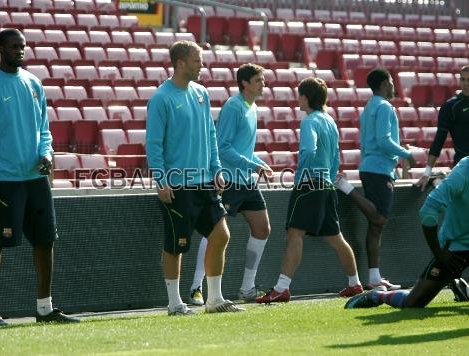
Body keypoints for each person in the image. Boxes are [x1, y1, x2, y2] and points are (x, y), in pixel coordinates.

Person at [0, 29, 79, 326]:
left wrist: (47, 153)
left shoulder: (34, 83)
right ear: (0, 49)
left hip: (35, 179)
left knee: (45, 241)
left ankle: (44, 308)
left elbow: (45, 129)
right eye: (14, 46)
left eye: (23, 46)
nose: (20, 51)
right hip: (3, 181)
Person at [146, 40, 244, 315]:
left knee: (221, 235)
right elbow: (153, 144)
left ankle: (215, 300)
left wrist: (216, 169)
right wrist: (161, 180)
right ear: (180, 63)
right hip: (178, 185)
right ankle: (174, 303)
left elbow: (211, 135)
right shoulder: (161, 98)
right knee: (176, 245)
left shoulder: (201, 93)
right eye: (197, 60)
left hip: (204, 183)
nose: (201, 65)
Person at [255, 77, 363, 304]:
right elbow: (335, 157)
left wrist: (301, 175)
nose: (297, 99)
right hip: (326, 185)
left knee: (294, 235)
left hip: (309, 185)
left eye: (299, 95)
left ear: (305, 97)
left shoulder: (309, 121)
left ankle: (281, 289)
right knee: (336, 238)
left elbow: (308, 149)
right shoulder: (330, 121)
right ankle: (355, 284)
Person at [187, 63, 273, 306]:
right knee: (214, 232)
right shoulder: (233, 107)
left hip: (246, 181)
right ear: (244, 83)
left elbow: (244, 148)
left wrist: (259, 163)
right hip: (229, 181)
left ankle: (247, 288)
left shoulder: (252, 107)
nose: (263, 83)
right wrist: (252, 165)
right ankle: (196, 287)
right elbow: (223, 146)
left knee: (262, 228)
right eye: (258, 80)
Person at [345, 157, 469, 309]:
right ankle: (378, 295)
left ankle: (463, 289)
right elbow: (428, 211)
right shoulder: (464, 171)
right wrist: (439, 253)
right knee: (413, 303)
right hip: (457, 246)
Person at [335, 68, 416, 291]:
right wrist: (407, 154)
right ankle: (346, 188)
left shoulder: (369, 106)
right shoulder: (384, 106)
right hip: (379, 169)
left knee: (375, 227)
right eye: (391, 82)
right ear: (383, 84)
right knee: (379, 219)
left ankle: (374, 278)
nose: (393, 86)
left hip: (370, 167)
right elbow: (384, 140)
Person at [415, 65, 469, 191]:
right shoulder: (450, 107)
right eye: (463, 80)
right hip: (463, 169)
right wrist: (427, 173)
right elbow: (439, 140)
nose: (466, 84)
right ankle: (435, 178)